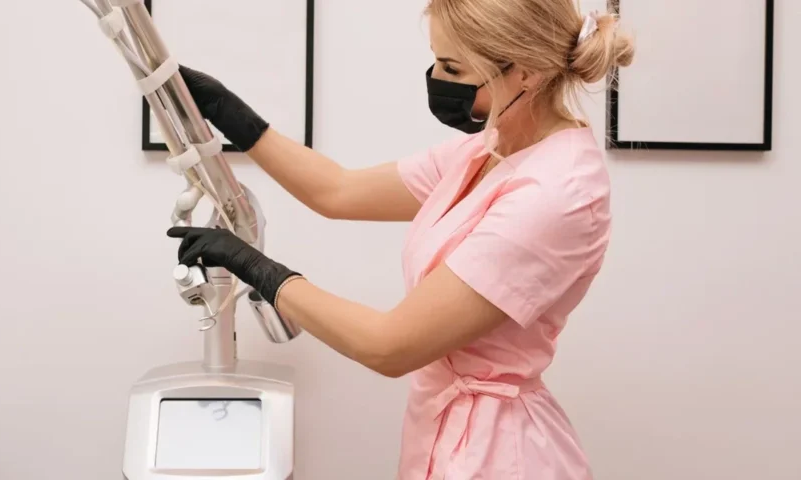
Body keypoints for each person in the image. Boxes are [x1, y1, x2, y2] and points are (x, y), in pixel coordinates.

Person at [167, 0, 635, 478]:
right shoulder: (488, 148)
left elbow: (390, 346)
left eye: (452, 67)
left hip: (500, 455)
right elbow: (338, 191)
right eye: (435, 59)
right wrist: (228, 110)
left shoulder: (558, 191)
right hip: (446, 430)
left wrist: (259, 269)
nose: (435, 76)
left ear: (527, 72)